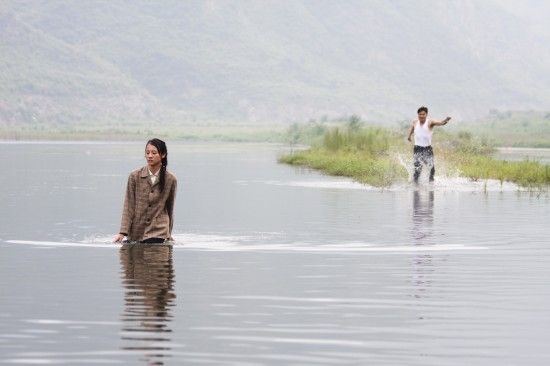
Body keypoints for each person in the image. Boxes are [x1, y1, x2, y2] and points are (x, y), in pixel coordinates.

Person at [113, 138, 177, 244]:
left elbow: (170, 208)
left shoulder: (170, 179)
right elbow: (128, 205)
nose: (150, 156)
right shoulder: (134, 176)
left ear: (163, 155)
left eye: (154, 153)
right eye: (147, 153)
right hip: (136, 231)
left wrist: (168, 233)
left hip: (159, 232)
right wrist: (122, 232)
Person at [406, 106, 451, 183]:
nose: (421, 116)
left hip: (427, 149)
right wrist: (409, 135)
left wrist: (445, 120)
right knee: (417, 168)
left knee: (431, 167)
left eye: (423, 114)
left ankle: (431, 182)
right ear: (418, 115)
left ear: (426, 114)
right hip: (417, 148)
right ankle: (415, 183)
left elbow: (440, 123)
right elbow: (413, 128)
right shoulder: (415, 122)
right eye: (420, 114)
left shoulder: (430, 122)